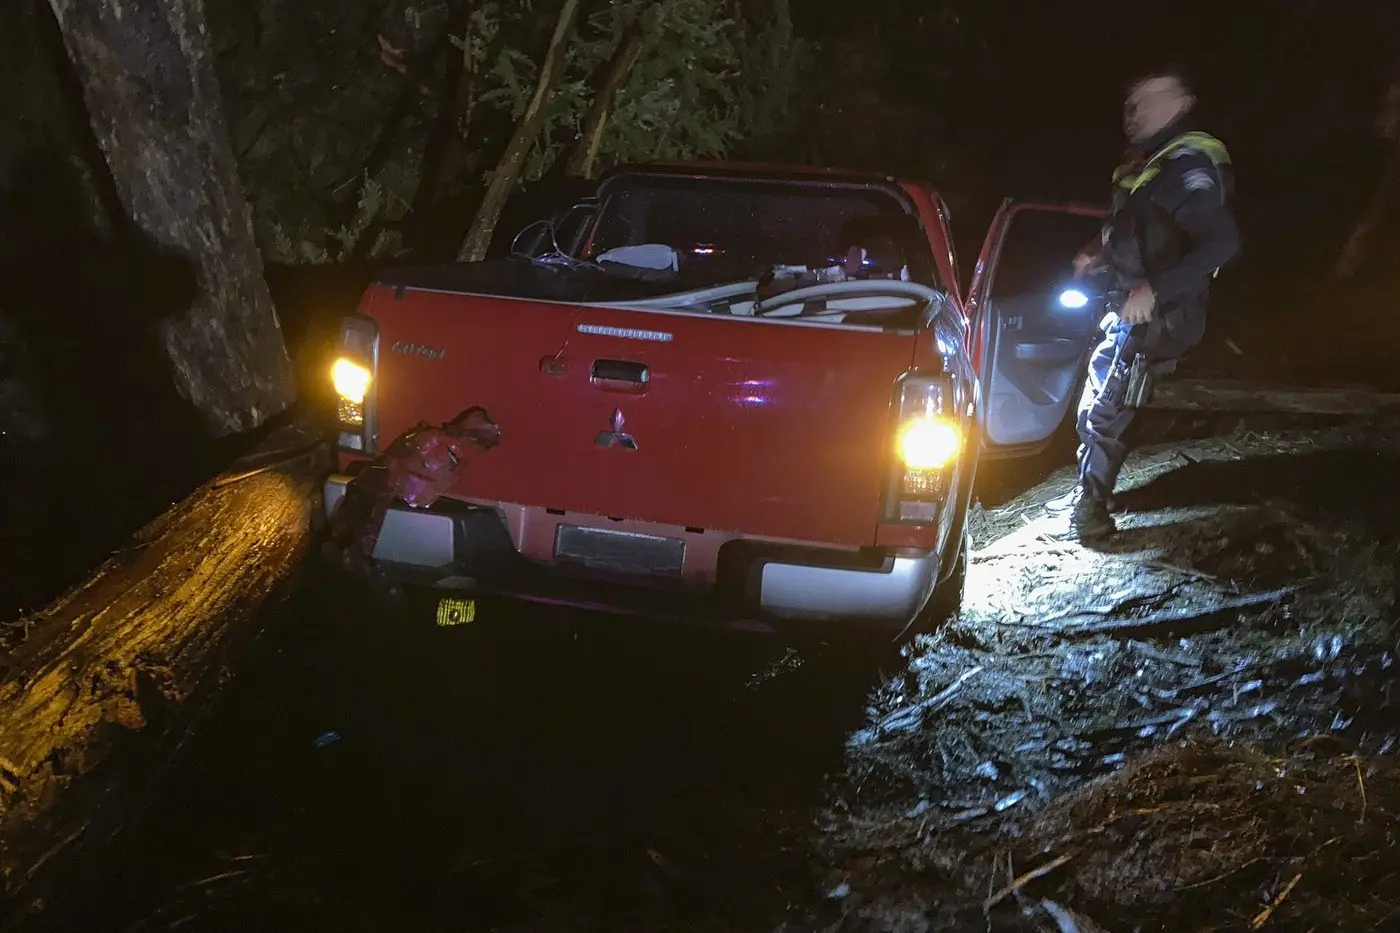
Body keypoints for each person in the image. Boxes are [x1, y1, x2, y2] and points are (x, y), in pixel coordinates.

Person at [1053, 65, 1242, 541]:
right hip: (1130, 308)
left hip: (1164, 315)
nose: (1134, 111)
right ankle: (1090, 490)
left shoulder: (1187, 166)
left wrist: (1155, 291)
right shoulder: (1146, 167)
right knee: (1095, 402)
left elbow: (1222, 243)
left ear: (1182, 103)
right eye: (1130, 102)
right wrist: (1097, 254)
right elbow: (1139, 233)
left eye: (1150, 98)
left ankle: (1092, 513)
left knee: (1104, 409)